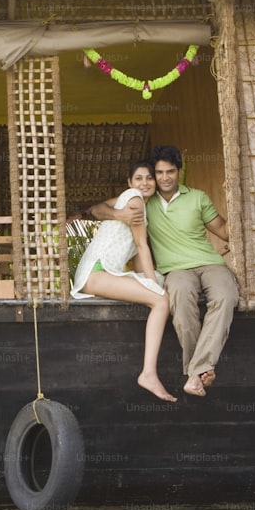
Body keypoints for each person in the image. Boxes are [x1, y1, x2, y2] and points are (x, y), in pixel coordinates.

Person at [87, 145, 238, 397]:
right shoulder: (144, 202)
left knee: (226, 295)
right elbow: (96, 209)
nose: (165, 177)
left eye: (171, 171)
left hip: (210, 263)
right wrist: (119, 214)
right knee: (179, 296)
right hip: (176, 270)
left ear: (179, 172)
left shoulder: (198, 197)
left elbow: (224, 230)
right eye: (159, 172)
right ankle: (201, 370)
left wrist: (236, 200)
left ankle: (196, 371)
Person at [70, 160, 176, 402]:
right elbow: (141, 246)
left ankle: (150, 371)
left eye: (149, 178)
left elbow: (139, 258)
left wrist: (154, 281)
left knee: (160, 286)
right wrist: (155, 289)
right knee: (161, 301)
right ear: (130, 183)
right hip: (97, 273)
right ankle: (148, 373)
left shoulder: (133, 202)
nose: (145, 182)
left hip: (97, 273)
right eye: (139, 178)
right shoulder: (135, 199)